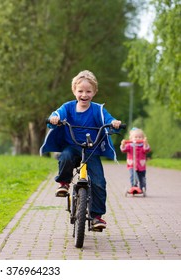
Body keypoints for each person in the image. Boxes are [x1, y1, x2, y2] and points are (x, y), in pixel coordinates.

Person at [40, 70, 122, 230]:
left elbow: (108, 119)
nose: (84, 95)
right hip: (72, 146)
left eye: (88, 91)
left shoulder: (98, 109)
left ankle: (96, 216)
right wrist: (54, 119)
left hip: (91, 151)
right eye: (80, 91)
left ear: (94, 92)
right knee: (65, 157)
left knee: (99, 182)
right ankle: (63, 183)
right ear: (74, 91)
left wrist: (114, 123)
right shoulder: (68, 108)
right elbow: (56, 114)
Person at [120, 127, 151, 193]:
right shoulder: (129, 145)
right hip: (132, 165)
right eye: (136, 137)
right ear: (131, 138)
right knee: (133, 175)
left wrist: (145, 143)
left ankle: (142, 188)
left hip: (141, 166)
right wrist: (123, 145)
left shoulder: (142, 146)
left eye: (140, 137)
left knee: (142, 178)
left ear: (143, 138)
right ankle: (134, 186)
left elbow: (147, 149)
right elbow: (123, 150)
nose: (138, 138)